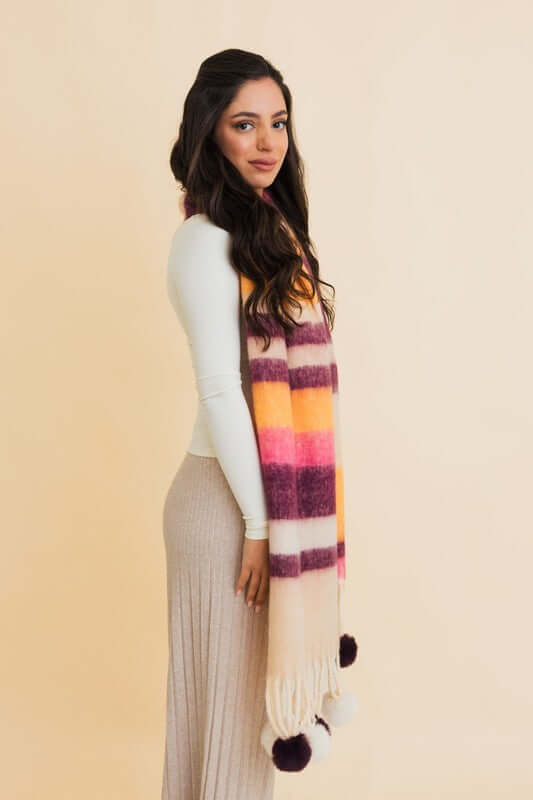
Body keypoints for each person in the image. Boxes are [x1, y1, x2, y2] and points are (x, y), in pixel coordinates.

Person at [161, 48, 337, 800]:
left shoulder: (269, 236)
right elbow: (220, 390)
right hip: (228, 510)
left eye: (278, 124)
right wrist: (262, 527)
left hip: (254, 505)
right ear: (211, 134)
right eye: (244, 125)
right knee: (227, 731)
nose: (267, 143)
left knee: (240, 737)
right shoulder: (206, 241)